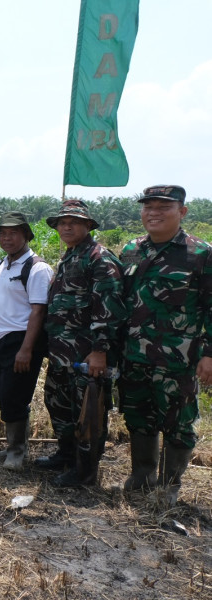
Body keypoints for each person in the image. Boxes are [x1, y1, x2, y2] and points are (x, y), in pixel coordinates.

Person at [118, 185, 212, 505]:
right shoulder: (131, 249)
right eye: (148, 207)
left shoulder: (200, 253)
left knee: (179, 423)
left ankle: (170, 485)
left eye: (163, 207)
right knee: (137, 416)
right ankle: (142, 475)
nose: (153, 212)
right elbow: (120, 302)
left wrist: (209, 354)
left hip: (178, 358)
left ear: (182, 212)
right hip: (134, 354)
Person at [39, 200, 124, 486]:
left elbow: (108, 308)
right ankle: (66, 455)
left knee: (88, 413)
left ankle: (85, 471)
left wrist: (100, 352)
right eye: (62, 222)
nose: (66, 226)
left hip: (87, 355)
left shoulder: (99, 258)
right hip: (62, 353)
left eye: (73, 221)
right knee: (58, 406)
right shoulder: (70, 256)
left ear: (88, 225)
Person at [0, 212, 52, 470]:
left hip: (20, 341)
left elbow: (38, 310)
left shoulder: (36, 267)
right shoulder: (4, 264)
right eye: (2, 233)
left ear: (25, 235)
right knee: (3, 395)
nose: (7, 238)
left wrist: (26, 349)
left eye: (13, 233)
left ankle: (17, 453)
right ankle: (12, 448)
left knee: (15, 397)